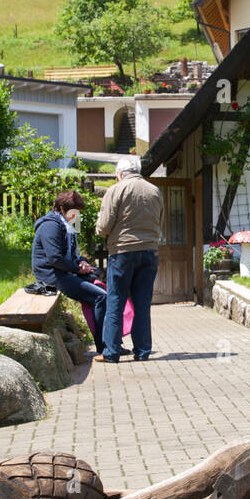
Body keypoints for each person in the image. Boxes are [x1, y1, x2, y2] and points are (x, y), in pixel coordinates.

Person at [94, 155, 164, 363]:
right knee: (142, 304)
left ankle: (111, 352)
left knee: (115, 301)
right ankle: (142, 351)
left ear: (120, 174)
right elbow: (160, 222)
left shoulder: (116, 190)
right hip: (150, 251)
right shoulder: (155, 191)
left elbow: (104, 226)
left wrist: (100, 230)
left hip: (123, 251)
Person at [31, 191, 109, 355]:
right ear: (61, 208)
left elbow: (72, 254)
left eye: (78, 212)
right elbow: (54, 258)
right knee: (100, 296)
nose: (76, 216)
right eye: (74, 212)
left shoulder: (65, 226)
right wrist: (77, 269)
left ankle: (110, 342)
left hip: (63, 272)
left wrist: (81, 261)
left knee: (100, 284)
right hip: (51, 276)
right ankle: (104, 347)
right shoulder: (50, 226)